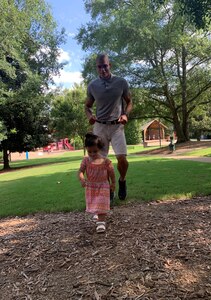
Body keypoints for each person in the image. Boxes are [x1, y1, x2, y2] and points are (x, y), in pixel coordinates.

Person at [85, 53, 132, 201]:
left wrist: (125, 115)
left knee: (122, 158)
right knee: (100, 162)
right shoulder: (92, 86)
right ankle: (108, 188)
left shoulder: (121, 82)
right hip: (100, 127)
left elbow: (129, 102)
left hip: (117, 126)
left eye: (105, 66)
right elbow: (87, 106)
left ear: (109, 65)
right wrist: (90, 116)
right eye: (99, 67)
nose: (103, 69)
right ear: (97, 68)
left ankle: (122, 180)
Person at [78, 133, 116, 233]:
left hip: (103, 186)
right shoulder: (86, 161)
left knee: (102, 203)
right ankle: (97, 213)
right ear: (86, 149)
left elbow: (111, 173)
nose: (92, 154)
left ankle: (101, 223)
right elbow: (80, 171)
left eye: (95, 151)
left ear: (100, 149)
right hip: (91, 186)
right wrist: (82, 179)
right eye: (89, 151)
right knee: (95, 203)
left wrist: (113, 183)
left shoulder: (105, 161)